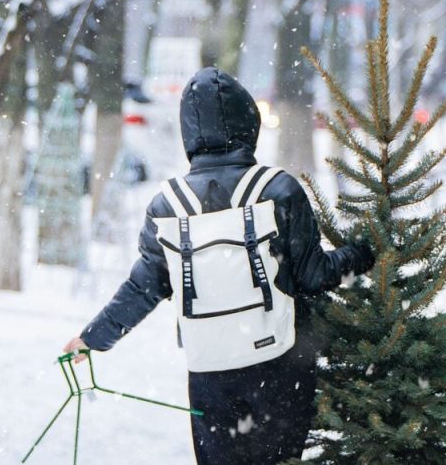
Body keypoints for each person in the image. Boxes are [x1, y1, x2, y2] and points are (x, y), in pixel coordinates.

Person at [62, 68, 375, 465]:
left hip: (209, 371)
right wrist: (366, 252)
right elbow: (316, 276)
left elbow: (144, 288)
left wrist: (92, 338)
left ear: (189, 132)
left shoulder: (167, 206)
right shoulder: (278, 190)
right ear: (249, 123)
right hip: (279, 365)